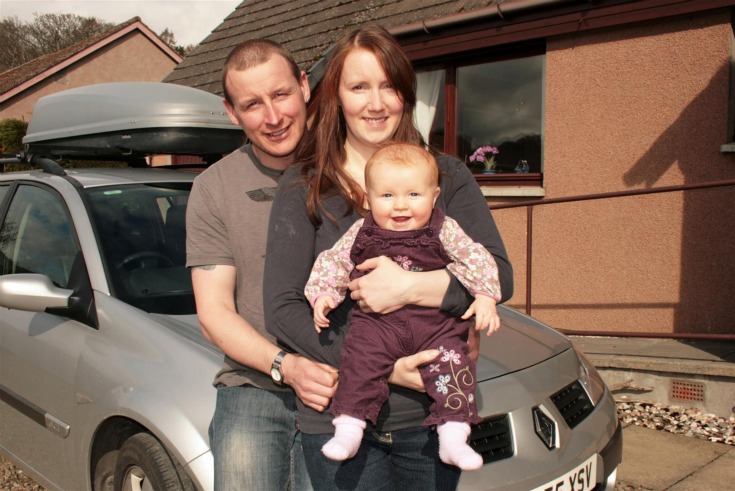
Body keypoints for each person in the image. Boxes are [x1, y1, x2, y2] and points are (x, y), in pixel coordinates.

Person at [264, 25, 513, 491]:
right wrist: (383, 366)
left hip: (429, 417)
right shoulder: (306, 185)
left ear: (406, 94)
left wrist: (414, 286)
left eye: (389, 86)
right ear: (337, 96)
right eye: (359, 87)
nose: (376, 103)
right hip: (340, 412)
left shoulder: (447, 175)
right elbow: (282, 306)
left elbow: (497, 272)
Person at [185, 39, 337, 490]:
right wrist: (286, 366)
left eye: (281, 94)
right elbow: (213, 314)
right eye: (252, 104)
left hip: (341, 387)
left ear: (305, 86)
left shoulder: (351, 168)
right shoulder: (213, 188)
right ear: (231, 112)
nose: (272, 117)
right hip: (253, 387)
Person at [305, 143, 502, 471]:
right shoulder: (361, 231)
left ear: (434, 195)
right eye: (387, 196)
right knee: (359, 359)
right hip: (377, 324)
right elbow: (335, 261)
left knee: (454, 363)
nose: (400, 206)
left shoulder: (444, 229)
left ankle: (453, 437)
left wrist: (485, 297)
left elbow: (477, 257)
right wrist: (323, 294)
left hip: (436, 324)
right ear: (368, 199)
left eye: (413, 195)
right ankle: (349, 428)